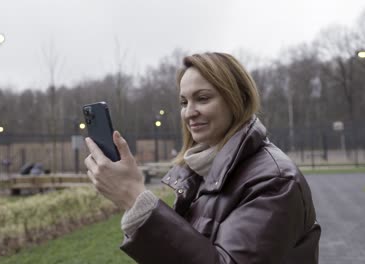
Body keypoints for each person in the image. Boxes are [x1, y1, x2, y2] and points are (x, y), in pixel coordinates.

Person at [84, 52, 321, 263]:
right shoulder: (200, 171)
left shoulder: (274, 180)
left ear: (238, 100)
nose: (189, 112)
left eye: (203, 98)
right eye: (184, 102)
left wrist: (134, 198)